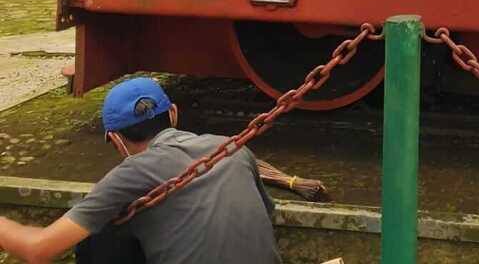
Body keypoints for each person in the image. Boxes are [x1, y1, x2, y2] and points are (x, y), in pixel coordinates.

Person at [0, 77, 282, 264]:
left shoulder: (131, 173)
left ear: (115, 139)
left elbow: (37, 248)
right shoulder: (231, 148)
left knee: (99, 234)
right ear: (173, 113)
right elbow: (264, 215)